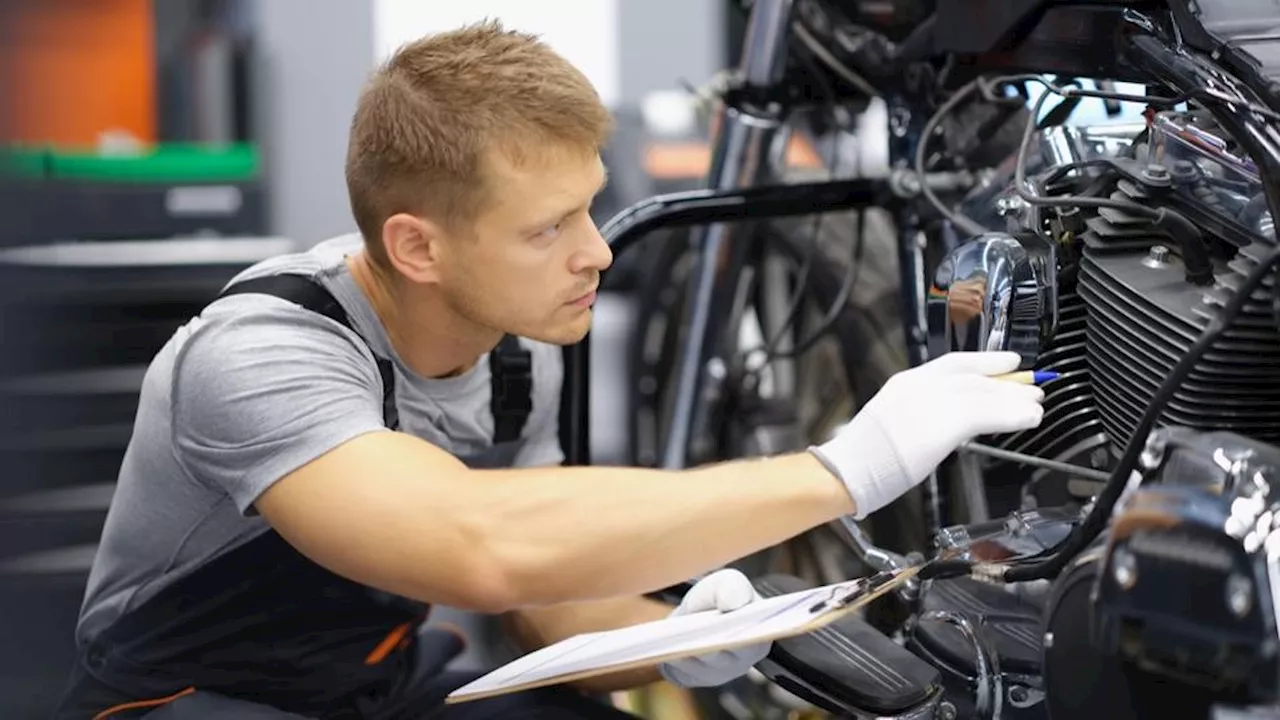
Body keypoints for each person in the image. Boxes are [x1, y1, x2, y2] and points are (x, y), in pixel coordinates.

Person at [55, 20, 1046, 720]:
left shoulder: (519, 348)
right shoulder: (264, 352)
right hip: (184, 700)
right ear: (417, 247)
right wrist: (847, 469)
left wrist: (675, 634)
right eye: (547, 228)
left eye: (587, 208)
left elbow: (536, 601)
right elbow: (477, 544)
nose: (598, 253)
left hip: (376, 684)